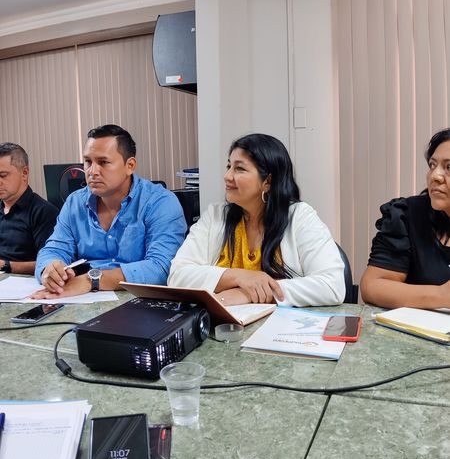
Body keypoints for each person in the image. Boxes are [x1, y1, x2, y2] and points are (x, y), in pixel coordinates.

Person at [168, 133, 345, 307]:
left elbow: (332, 286)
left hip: (282, 324)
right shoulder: (215, 216)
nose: (227, 176)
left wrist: (247, 294)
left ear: (268, 181)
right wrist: (239, 276)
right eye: (229, 166)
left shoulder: (300, 216)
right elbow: (177, 276)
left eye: (239, 169)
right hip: (226, 323)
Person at [33, 124, 186, 298]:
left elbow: (162, 268)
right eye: (88, 161)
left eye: (103, 162)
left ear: (130, 165)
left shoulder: (160, 202)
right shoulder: (75, 202)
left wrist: (92, 280)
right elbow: (54, 249)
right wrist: (50, 268)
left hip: (140, 300)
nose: (92, 171)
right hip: (81, 298)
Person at [361, 127, 450, 309]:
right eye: (432, 165)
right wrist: (442, 295)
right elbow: (373, 286)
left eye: (449, 167)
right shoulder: (408, 215)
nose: (435, 176)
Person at [0, 142, 58, 275]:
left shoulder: (44, 212)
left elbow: (50, 264)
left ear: (24, 173)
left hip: (23, 282)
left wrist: (5, 265)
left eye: (3, 175)